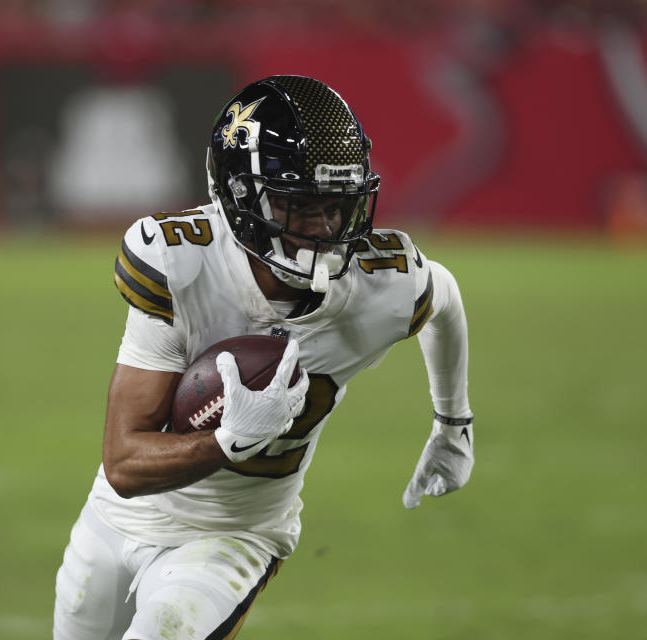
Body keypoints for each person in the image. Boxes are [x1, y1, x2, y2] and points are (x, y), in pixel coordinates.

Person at [53, 75, 474, 640]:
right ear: (241, 196)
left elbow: (443, 298)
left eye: (337, 207)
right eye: (300, 206)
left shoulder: (382, 285)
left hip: (236, 535)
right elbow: (124, 463)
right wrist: (229, 442)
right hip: (118, 517)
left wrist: (453, 421)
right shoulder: (182, 263)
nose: (323, 230)